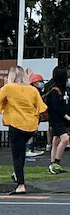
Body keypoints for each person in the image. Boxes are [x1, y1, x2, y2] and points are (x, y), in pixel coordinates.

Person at [1, 65, 48, 194]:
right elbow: (42, 107)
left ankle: (20, 184)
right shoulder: (32, 90)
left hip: (16, 124)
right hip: (31, 126)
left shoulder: (8, 88)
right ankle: (17, 173)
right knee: (21, 151)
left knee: (17, 154)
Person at [46, 67, 70, 174]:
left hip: (58, 120)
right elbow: (57, 108)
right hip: (57, 120)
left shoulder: (58, 90)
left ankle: (52, 163)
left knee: (56, 140)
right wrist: (68, 117)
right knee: (65, 139)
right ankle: (56, 163)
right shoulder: (55, 92)